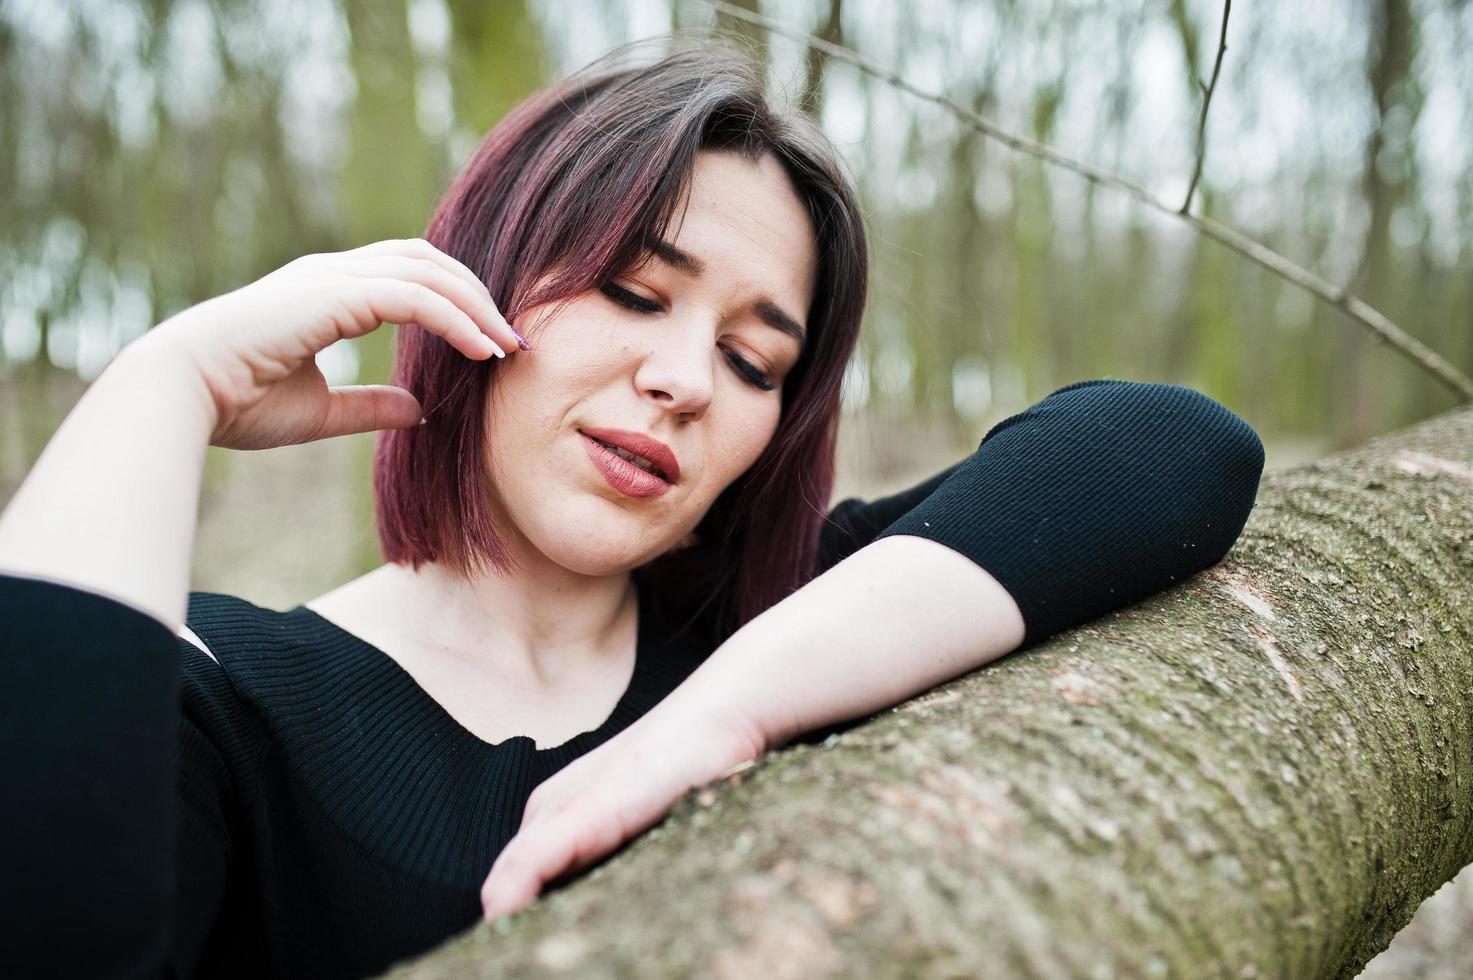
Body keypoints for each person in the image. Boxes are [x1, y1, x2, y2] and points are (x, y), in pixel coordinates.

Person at [0, 39, 1265, 979]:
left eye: (754, 361)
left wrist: (725, 707)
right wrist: (163, 380)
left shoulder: (811, 625)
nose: (682, 380)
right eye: (632, 288)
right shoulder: (227, 703)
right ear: (473, 285)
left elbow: (1175, 446)